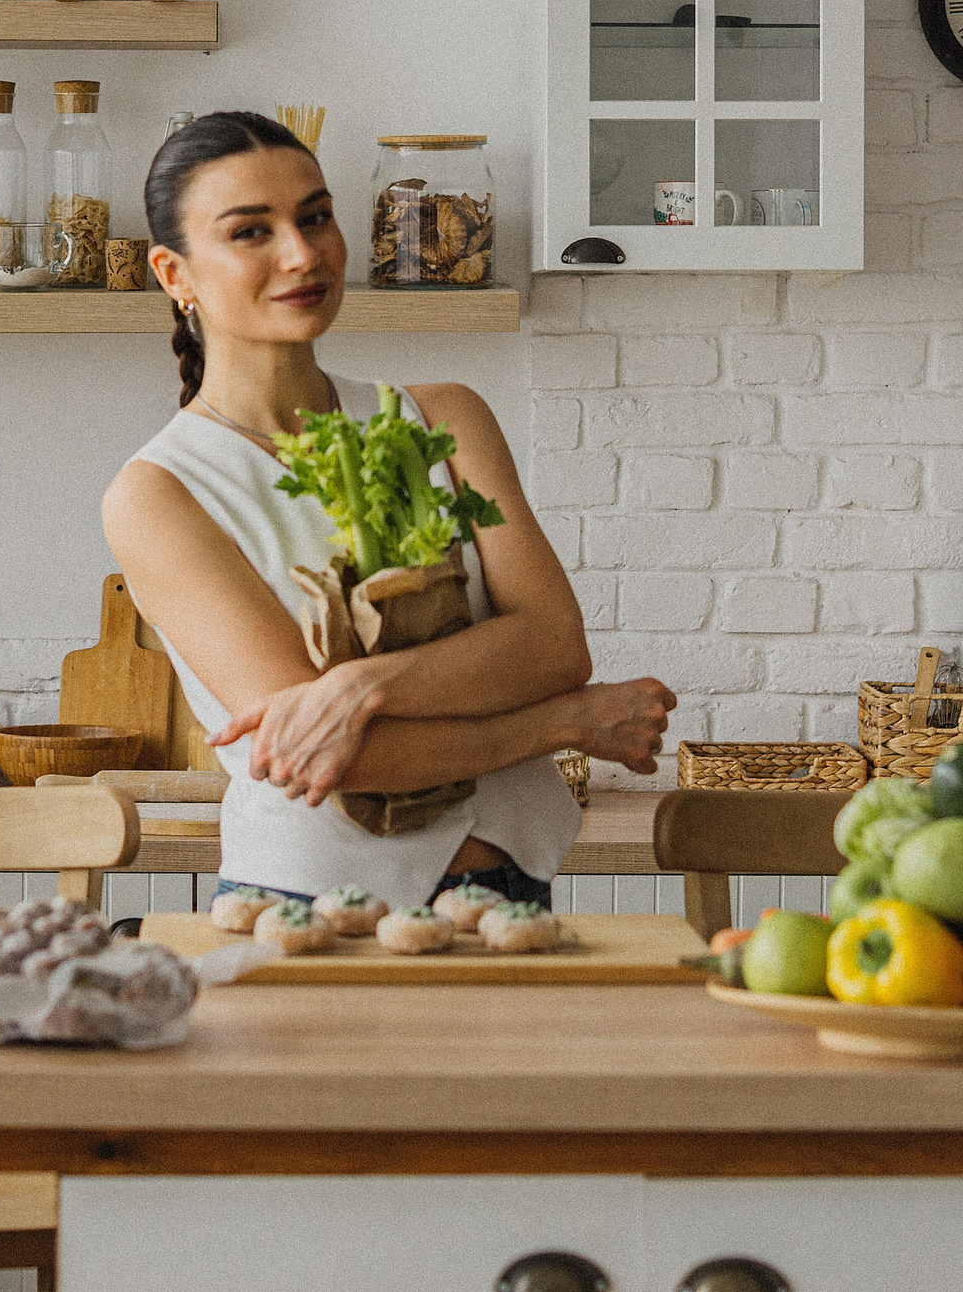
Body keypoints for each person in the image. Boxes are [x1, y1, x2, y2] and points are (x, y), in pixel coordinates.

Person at [101, 111, 676, 914]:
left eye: (315, 216)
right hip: (304, 902)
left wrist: (360, 685)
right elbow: (343, 761)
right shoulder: (160, 493)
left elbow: (554, 643)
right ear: (175, 274)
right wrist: (564, 723)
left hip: (511, 892)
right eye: (250, 232)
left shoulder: (446, 418)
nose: (302, 254)